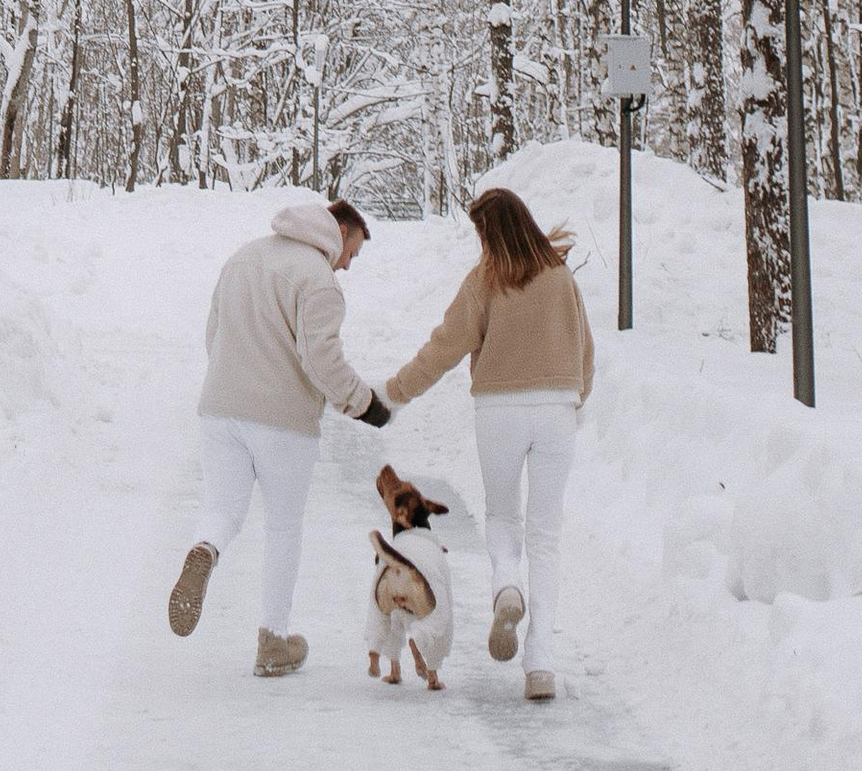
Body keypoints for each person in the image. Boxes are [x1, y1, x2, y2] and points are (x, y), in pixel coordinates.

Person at [382, 185, 594, 701]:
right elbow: (586, 351)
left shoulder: (485, 281)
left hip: (499, 411)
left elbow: (444, 347)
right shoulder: (561, 277)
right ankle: (540, 662)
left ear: (489, 233)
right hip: (556, 411)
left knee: (502, 516)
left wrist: (396, 392)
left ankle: (506, 586)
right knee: (546, 534)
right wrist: (574, 396)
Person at [167, 194, 391, 677]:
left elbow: (214, 335)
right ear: (341, 232)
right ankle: (272, 641)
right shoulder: (319, 281)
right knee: (283, 527)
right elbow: (321, 360)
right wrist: (363, 404)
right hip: (283, 423)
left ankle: (204, 549)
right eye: (352, 252)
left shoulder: (243, 258)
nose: (347, 265)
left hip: (220, 410)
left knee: (222, 510)